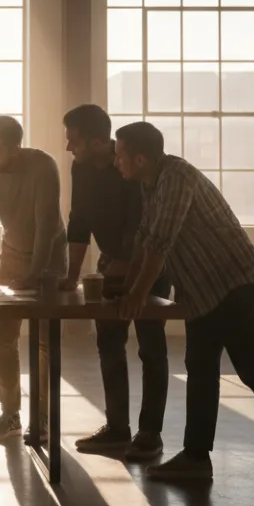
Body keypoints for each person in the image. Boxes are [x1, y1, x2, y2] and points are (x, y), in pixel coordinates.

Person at [114, 121, 254, 481]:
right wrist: (128, 293)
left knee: (250, 365)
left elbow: (159, 245)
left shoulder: (176, 178)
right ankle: (196, 458)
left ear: (140, 158)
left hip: (233, 282)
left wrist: (136, 297)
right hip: (205, 290)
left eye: (120, 156)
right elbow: (144, 240)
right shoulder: (152, 183)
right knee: (201, 369)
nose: (117, 163)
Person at [62, 104, 172, 461]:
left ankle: (150, 434)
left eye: (73, 141)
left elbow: (138, 225)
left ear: (97, 141)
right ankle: (117, 428)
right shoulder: (81, 167)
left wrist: (125, 269)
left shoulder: (130, 165)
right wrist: (71, 275)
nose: (68, 148)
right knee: (109, 344)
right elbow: (78, 221)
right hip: (112, 264)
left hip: (151, 264)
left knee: (150, 348)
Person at [0, 116, 68, 445]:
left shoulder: (43, 166)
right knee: (5, 338)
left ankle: (41, 418)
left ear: (16, 148)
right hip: (11, 253)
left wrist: (37, 273)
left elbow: (45, 224)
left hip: (50, 255)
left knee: (43, 340)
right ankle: (10, 414)